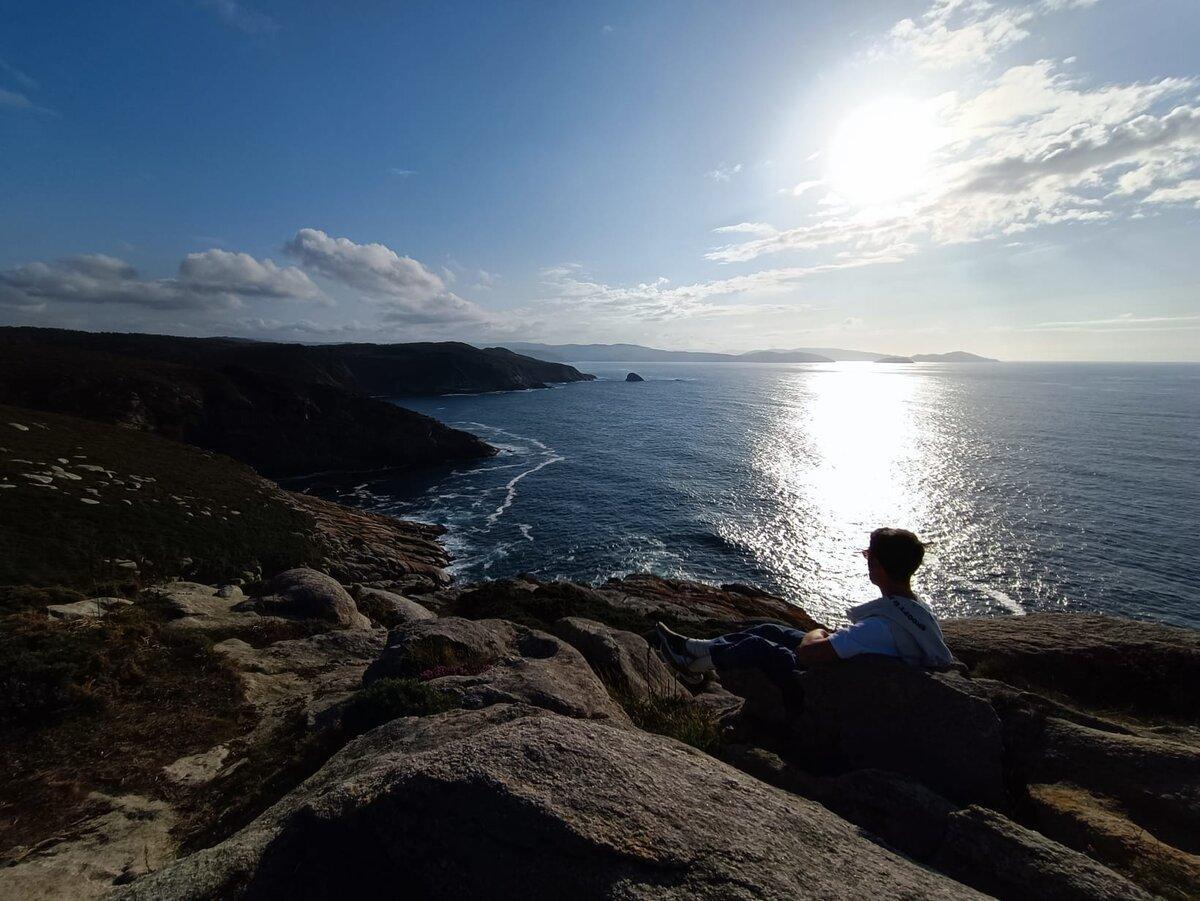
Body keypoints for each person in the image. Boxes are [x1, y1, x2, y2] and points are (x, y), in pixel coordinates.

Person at [656, 527, 953, 686]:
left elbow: (807, 654)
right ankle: (694, 648)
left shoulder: (880, 627)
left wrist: (817, 633)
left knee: (758, 645)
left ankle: (691, 663)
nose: (866, 560)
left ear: (879, 565)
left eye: (868, 555)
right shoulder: (916, 612)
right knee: (771, 628)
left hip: (827, 682)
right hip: (852, 665)